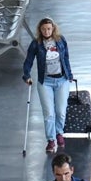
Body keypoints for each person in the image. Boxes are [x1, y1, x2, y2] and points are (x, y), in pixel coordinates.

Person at [22, 17, 73, 153]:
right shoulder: (36, 44)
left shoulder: (60, 40)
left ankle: (59, 133)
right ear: (40, 30)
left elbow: (66, 58)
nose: (46, 31)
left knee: (61, 112)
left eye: (49, 28)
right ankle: (51, 140)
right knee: (49, 114)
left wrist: (70, 75)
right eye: (43, 29)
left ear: (53, 28)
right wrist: (26, 76)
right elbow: (28, 61)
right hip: (45, 82)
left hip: (62, 80)